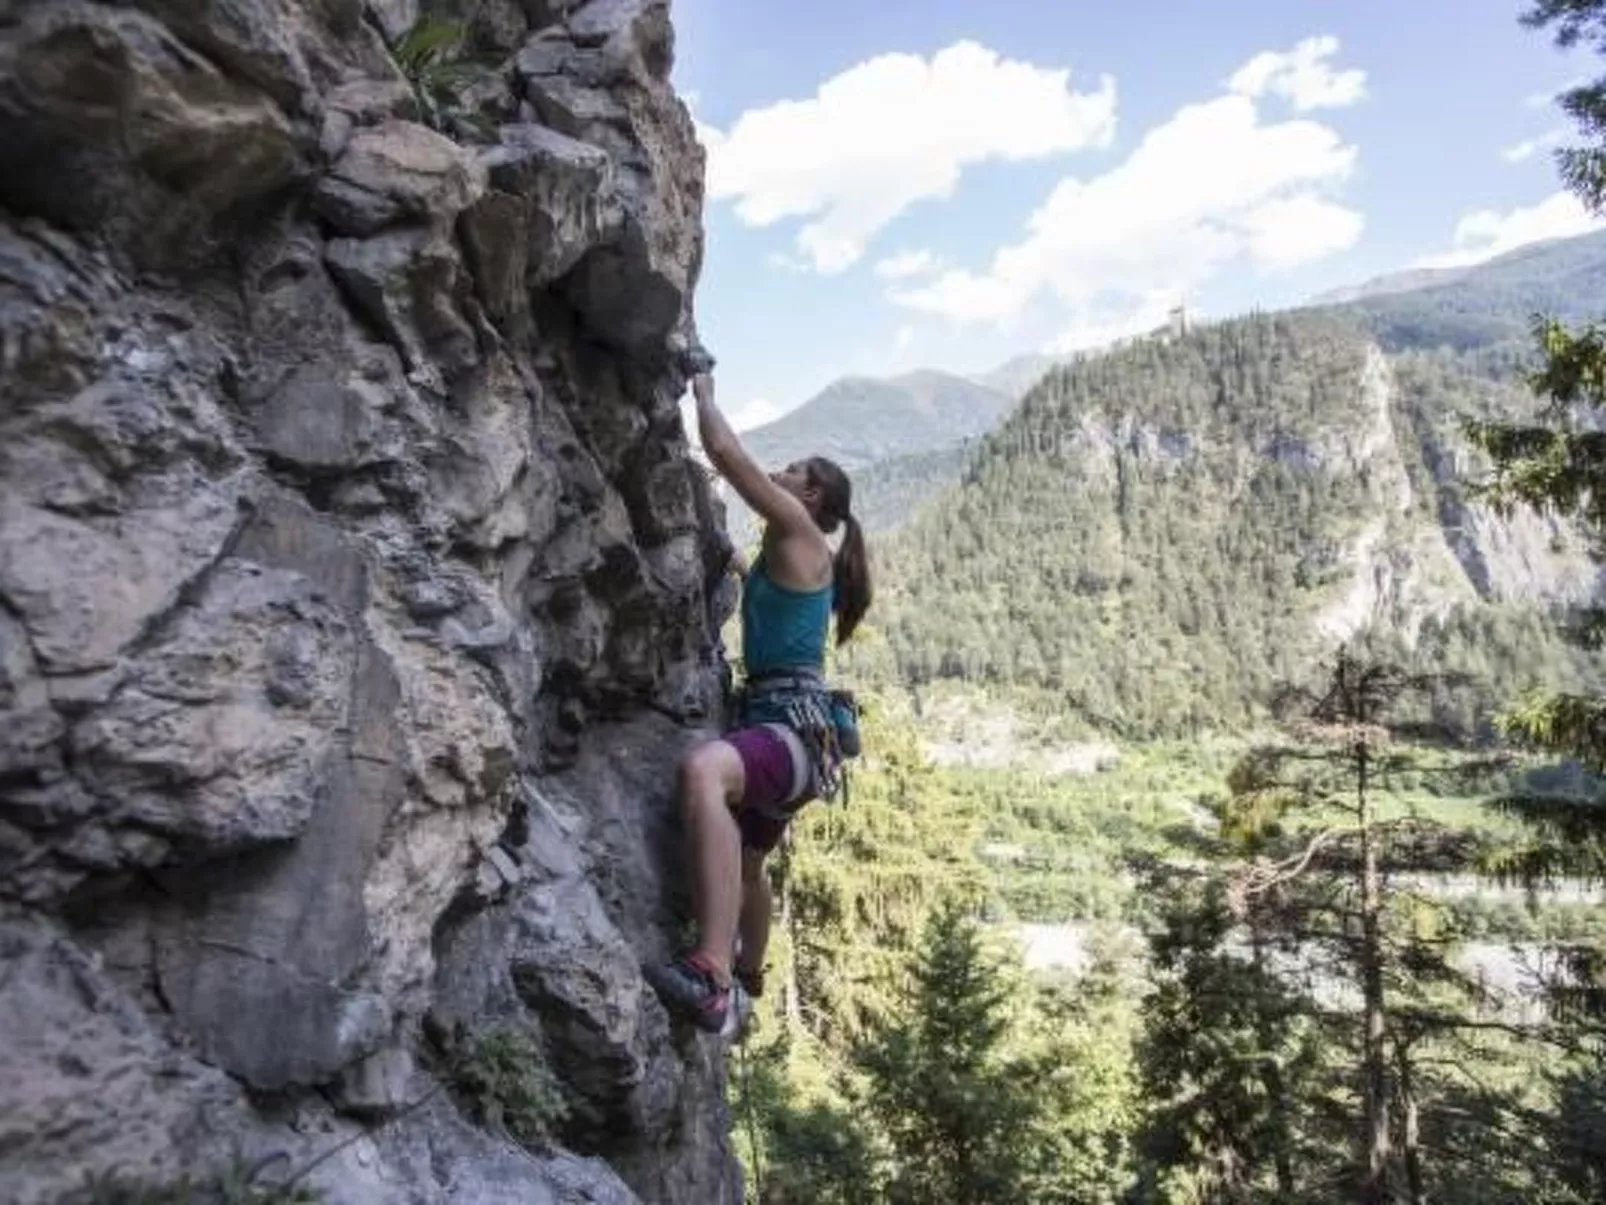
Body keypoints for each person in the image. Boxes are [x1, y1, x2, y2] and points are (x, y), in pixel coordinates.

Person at [645, 370, 872, 1035]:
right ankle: (749, 976)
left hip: (787, 735)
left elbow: (728, 456)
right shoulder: (796, 553)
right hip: (803, 743)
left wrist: (704, 389)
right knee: (747, 862)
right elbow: (774, 604)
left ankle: (712, 972)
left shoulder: (798, 529)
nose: (782, 467)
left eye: (795, 467)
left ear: (811, 493)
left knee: (704, 773)